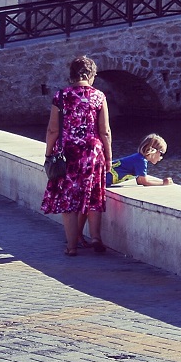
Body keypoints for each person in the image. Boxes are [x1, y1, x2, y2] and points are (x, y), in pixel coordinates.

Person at [41, 55, 111, 256]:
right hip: (93, 152)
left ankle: (71, 247)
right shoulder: (99, 96)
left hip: (68, 153)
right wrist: (108, 157)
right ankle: (96, 237)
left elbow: (52, 130)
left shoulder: (61, 96)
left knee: (68, 200)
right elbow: (105, 131)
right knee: (95, 196)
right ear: (89, 75)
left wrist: (48, 154)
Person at [108, 133, 174, 186]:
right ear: (154, 151)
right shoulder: (141, 161)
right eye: (161, 154)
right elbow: (143, 181)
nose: (161, 157)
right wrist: (163, 183)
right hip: (103, 179)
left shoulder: (138, 158)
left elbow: (140, 180)